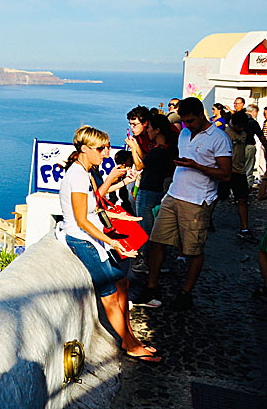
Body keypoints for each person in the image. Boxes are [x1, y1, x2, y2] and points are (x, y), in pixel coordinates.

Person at [57, 126, 160, 361]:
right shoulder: (78, 175)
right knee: (110, 294)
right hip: (85, 241)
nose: (107, 152)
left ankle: (130, 337)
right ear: (85, 149)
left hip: (94, 238)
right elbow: (82, 220)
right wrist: (113, 243)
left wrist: (118, 181)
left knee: (122, 282)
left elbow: (95, 201)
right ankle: (130, 344)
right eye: (101, 148)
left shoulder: (84, 172)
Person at [133, 97, 232, 311]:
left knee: (193, 250)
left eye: (191, 120)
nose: (187, 125)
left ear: (201, 115)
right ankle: (152, 287)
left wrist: (197, 166)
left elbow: (225, 174)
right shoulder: (185, 133)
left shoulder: (219, 138)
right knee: (157, 241)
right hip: (174, 194)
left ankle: (186, 293)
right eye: (185, 121)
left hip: (198, 200)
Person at [132, 115, 178, 271]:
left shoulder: (157, 150)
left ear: (157, 130)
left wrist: (132, 148)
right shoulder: (167, 149)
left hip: (147, 191)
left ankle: (148, 261)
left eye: (150, 127)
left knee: (146, 229)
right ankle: (158, 261)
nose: (148, 130)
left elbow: (139, 166)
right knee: (156, 229)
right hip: (159, 190)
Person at [220, 112, 260, 243]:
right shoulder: (226, 134)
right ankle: (206, 220)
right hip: (228, 171)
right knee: (218, 197)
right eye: (239, 126)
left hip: (240, 171)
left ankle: (244, 228)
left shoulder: (244, 134)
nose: (241, 129)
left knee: (243, 199)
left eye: (243, 126)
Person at [244, 104, 267, 188]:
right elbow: (260, 136)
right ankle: (246, 188)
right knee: (248, 169)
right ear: (254, 112)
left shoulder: (237, 119)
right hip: (249, 146)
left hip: (237, 147)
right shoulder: (252, 122)